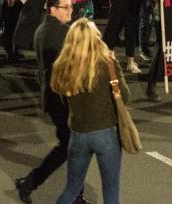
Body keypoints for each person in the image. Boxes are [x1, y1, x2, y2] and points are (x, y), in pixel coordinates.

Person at [14, 0, 89, 204]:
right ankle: (31, 183)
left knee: (72, 146)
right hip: (61, 99)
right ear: (52, 9)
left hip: (57, 98)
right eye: (66, 7)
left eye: (70, 6)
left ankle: (33, 184)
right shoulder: (55, 33)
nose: (70, 10)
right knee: (71, 147)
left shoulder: (48, 29)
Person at [50, 18, 129, 204]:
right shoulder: (106, 64)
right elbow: (124, 96)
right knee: (111, 192)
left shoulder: (64, 66)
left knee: (71, 189)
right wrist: (115, 66)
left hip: (78, 134)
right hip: (105, 134)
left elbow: (61, 95)